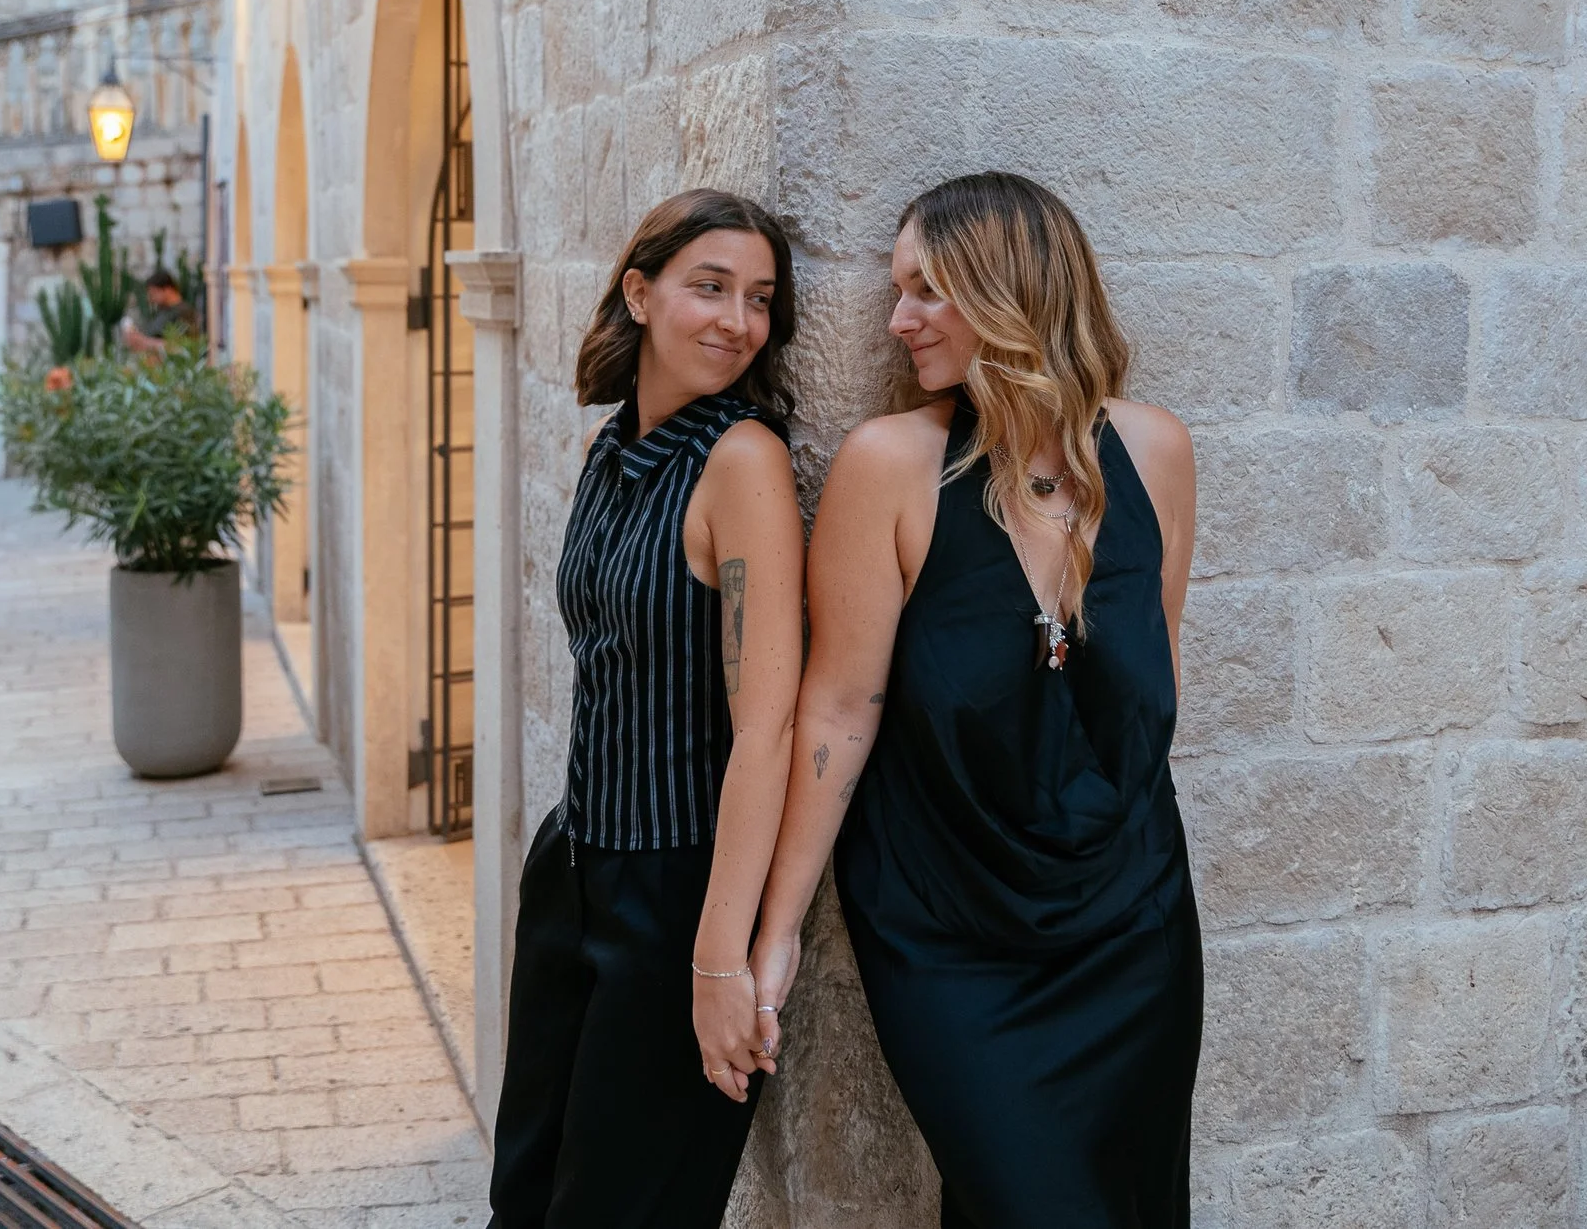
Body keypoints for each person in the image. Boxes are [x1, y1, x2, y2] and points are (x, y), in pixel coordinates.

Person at [752, 171, 1203, 1228]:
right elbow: (837, 710)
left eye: (925, 288)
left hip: (1131, 928)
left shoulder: (1156, 451)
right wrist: (774, 925)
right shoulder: (891, 464)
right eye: (896, 290)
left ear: (1010, 290)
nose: (898, 319)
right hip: (950, 933)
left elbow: (1153, 684)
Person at [490, 189, 805, 1229]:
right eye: (709, 285)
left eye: (758, 298)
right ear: (640, 292)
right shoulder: (607, 452)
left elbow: (767, 726)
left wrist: (719, 957)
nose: (735, 319)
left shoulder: (742, 461)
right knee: (523, 1194)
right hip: (572, 865)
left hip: (676, 891)